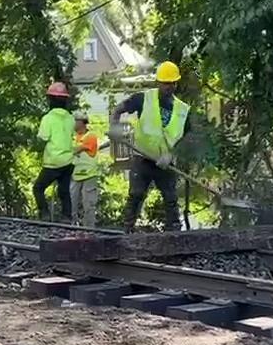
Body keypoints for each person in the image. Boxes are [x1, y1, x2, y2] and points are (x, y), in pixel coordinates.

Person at [108, 61, 191, 232]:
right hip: (142, 158)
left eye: (173, 83)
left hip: (165, 162)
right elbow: (118, 110)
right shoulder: (143, 99)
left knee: (170, 198)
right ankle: (127, 230)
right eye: (166, 83)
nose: (170, 86)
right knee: (136, 194)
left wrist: (172, 154)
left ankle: (174, 233)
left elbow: (186, 137)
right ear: (158, 82)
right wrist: (114, 128)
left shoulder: (182, 110)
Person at [33, 81, 75, 221]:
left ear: (50, 99)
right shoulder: (70, 118)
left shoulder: (48, 118)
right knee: (64, 191)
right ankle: (66, 217)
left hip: (53, 161)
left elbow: (43, 138)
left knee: (38, 188)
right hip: (68, 161)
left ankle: (44, 213)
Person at [70, 110, 100, 228]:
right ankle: (72, 225)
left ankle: (89, 228)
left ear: (81, 122)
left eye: (74, 121)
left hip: (89, 175)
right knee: (71, 200)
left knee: (89, 203)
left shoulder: (90, 136)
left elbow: (77, 149)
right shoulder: (73, 136)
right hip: (75, 174)